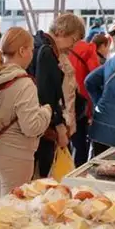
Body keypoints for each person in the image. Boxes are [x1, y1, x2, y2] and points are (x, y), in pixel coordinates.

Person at [0, 27, 52, 198]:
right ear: (22, 50)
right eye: (31, 50)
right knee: (12, 209)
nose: (32, 55)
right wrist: (46, 111)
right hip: (15, 153)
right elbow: (32, 127)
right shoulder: (23, 83)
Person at [28, 13, 83, 177]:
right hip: (43, 126)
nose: (72, 47)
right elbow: (47, 94)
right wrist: (59, 127)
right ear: (61, 31)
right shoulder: (47, 52)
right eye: (73, 40)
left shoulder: (36, 44)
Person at [67, 25, 101, 166]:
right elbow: (96, 76)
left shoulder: (60, 48)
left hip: (64, 101)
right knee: (81, 145)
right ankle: (77, 175)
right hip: (81, 103)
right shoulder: (88, 50)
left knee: (65, 143)